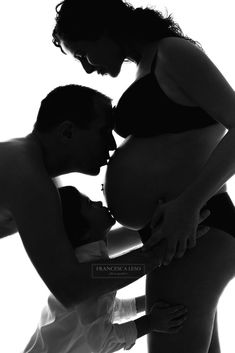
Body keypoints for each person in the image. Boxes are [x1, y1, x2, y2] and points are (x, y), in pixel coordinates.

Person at [52, 1, 235, 352]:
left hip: (197, 226)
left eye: (84, 54)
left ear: (101, 29)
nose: (87, 68)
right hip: (179, 232)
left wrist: (188, 204)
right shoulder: (148, 65)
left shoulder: (173, 53)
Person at [0, 83, 164, 310]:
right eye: (104, 131)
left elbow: (81, 253)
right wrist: (156, 255)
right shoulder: (27, 176)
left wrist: (153, 230)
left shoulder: (33, 172)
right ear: (67, 132)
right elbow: (72, 286)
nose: (112, 144)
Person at [23, 186, 187, 353]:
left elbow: (104, 310)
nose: (99, 202)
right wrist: (150, 323)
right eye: (90, 205)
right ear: (83, 231)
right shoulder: (90, 268)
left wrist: (147, 303)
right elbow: (99, 341)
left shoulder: (91, 263)